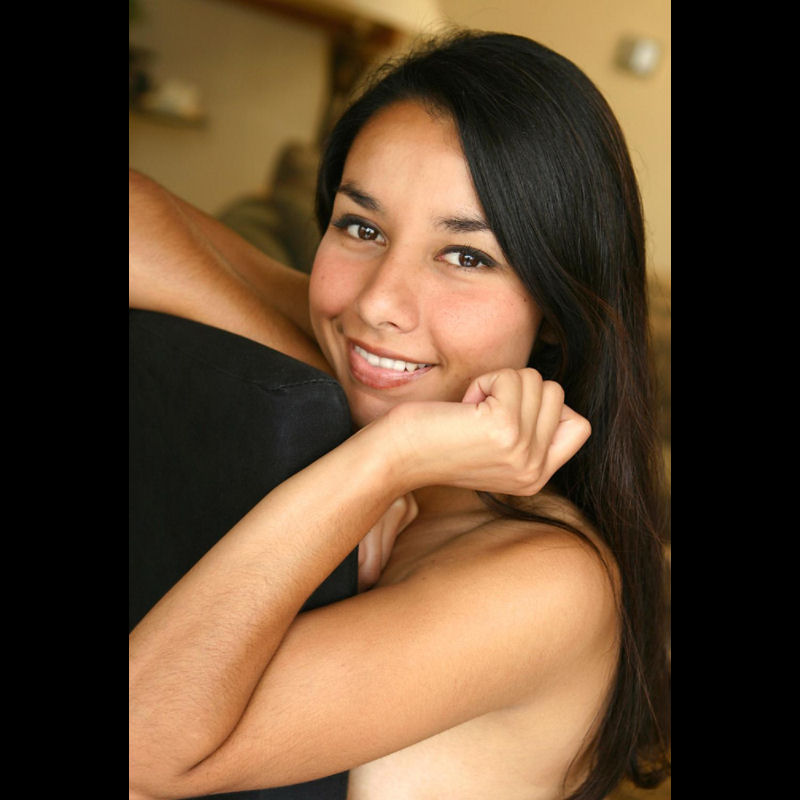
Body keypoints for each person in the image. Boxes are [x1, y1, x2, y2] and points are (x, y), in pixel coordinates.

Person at [129, 30, 670, 800]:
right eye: (362, 227)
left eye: (466, 256)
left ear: (555, 309)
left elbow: (140, 745)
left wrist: (384, 463)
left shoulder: (548, 582)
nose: (381, 300)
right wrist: (325, 371)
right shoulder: (369, 333)